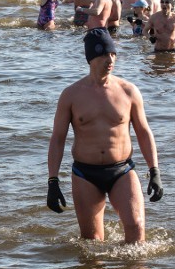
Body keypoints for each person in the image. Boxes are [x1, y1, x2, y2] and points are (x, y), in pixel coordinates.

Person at [47, 28, 164, 244]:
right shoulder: (71, 95)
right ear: (91, 58)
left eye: (113, 54)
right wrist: (52, 181)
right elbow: (57, 138)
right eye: (104, 55)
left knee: (136, 228)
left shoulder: (128, 91)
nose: (110, 60)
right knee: (92, 241)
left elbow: (144, 132)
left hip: (122, 169)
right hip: (85, 173)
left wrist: (154, 170)